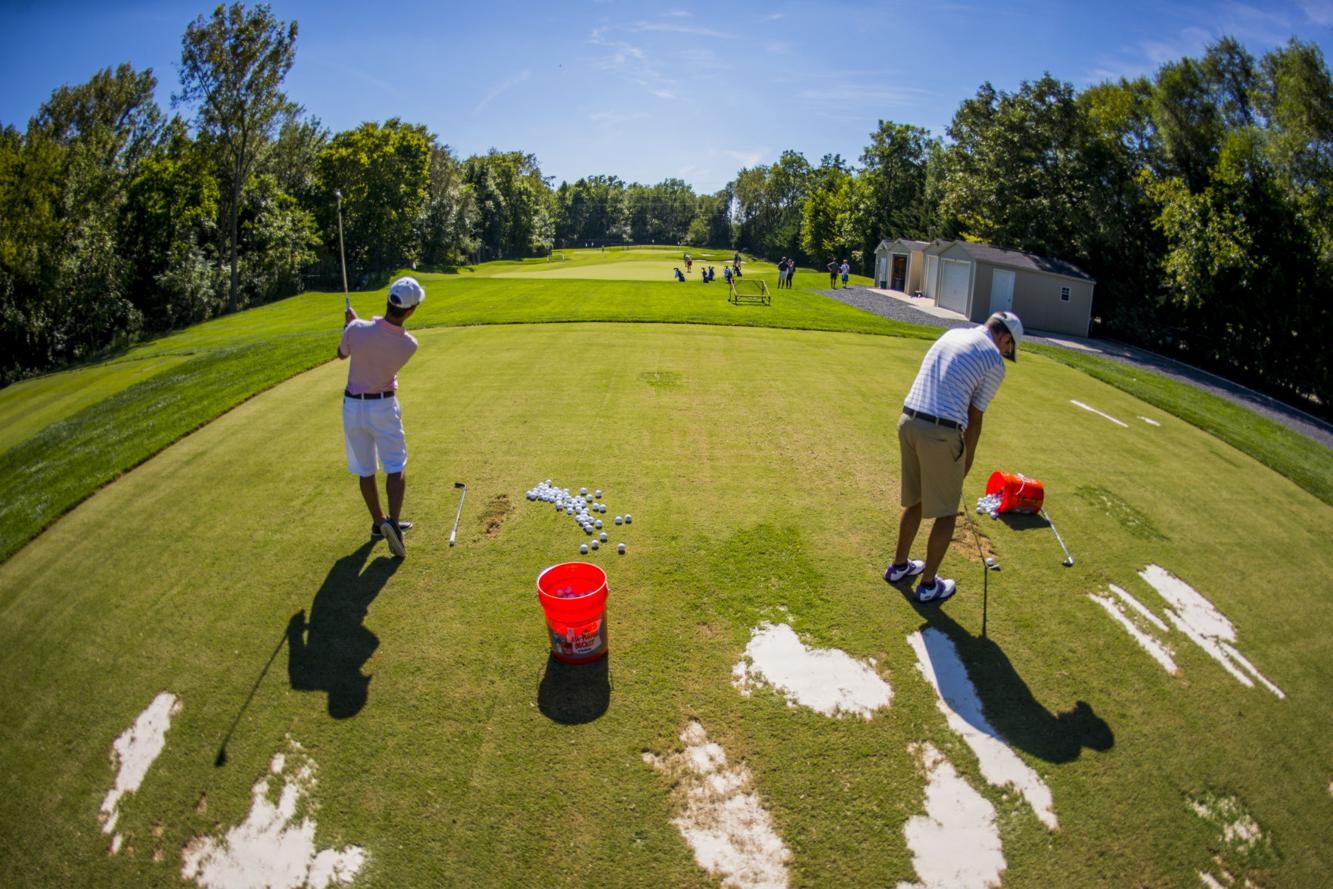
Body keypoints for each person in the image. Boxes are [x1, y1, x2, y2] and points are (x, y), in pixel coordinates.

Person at [886, 312, 1024, 603]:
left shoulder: (953, 333)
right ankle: (927, 586)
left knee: (916, 501)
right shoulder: (994, 360)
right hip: (940, 433)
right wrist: (968, 458)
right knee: (947, 512)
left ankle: (898, 567)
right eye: (1008, 347)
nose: (1005, 353)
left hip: (908, 421)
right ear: (1004, 337)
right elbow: (975, 417)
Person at [338, 276, 426, 558]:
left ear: (388, 300)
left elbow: (342, 353)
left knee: (365, 470)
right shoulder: (408, 345)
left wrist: (351, 325)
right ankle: (394, 526)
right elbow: (382, 338)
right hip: (383, 407)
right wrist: (355, 325)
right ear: (411, 310)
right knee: (395, 467)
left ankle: (379, 523)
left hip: (352, 407)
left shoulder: (356, 329)